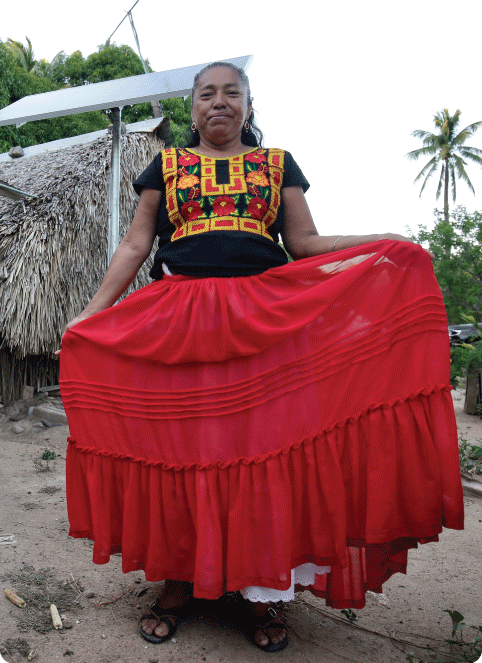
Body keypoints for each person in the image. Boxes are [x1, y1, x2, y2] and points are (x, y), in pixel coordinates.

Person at [58, 62, 464, 653]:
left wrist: (383, 242)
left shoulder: (277, 164)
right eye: (206, 94)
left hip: (265, 325)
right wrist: (92, 316)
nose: (218, 102)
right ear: (191, 107)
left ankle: (262, 592)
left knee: (258, 449)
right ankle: (179, 581)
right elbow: (137, 243)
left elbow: (303, 245)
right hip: (180, 324)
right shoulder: (165, 166)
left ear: (247, 104)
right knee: (186, 448)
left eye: (231, 92)